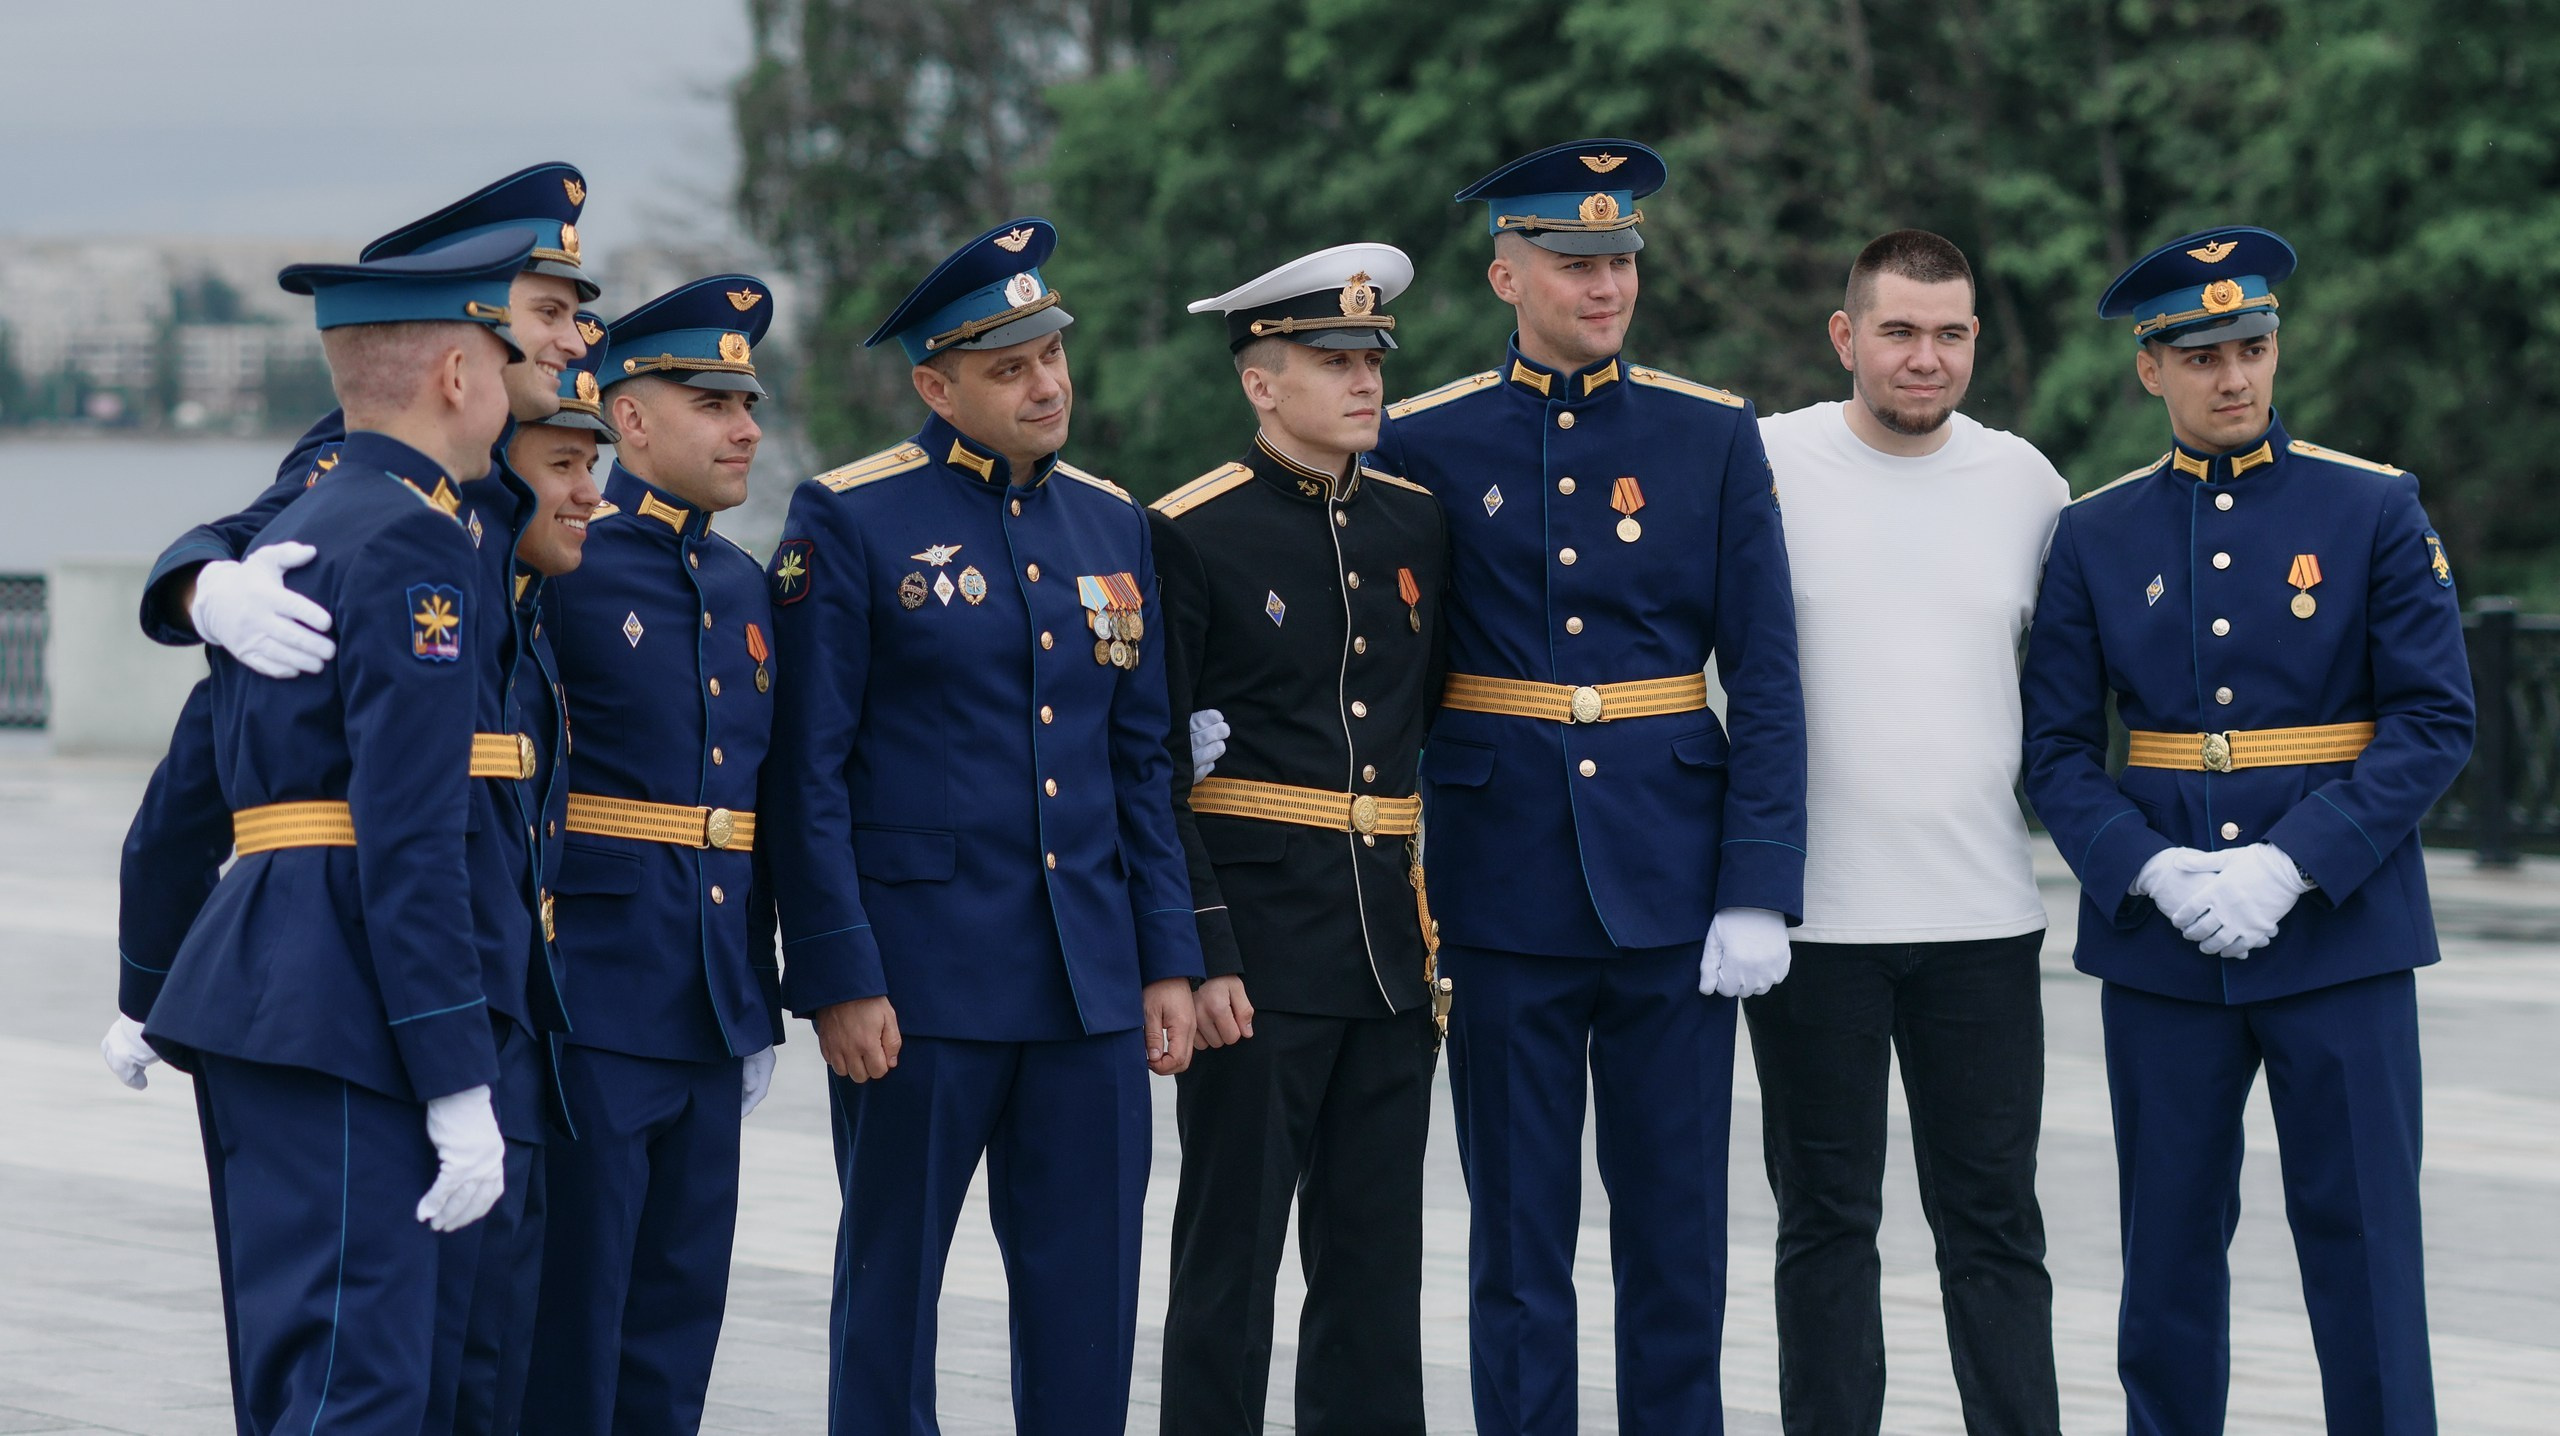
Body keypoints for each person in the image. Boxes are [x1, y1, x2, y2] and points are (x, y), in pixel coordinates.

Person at [103, 166, 596, 1436]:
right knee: (353, 1381)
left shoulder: (442, 506)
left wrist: (150, 970)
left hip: (393, 979)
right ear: (458, 364)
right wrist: (201, 588)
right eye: (539, 319)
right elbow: (382, 815)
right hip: (358, 989)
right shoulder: (403, 519)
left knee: (423, 1374)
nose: (571, 341)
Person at [1368, 140, 1808, 1435]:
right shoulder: (1428, 440)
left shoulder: (1709, 433)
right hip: (1501, 891)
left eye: (1620, 257)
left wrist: (1759, 887)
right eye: (1573, 261)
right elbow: (1381, 660)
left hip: (1676, 892)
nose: (1604, 281)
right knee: (1518, 1250)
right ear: (1508, 271)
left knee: (1677, 1244)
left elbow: (1768, 676)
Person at [2020, 226, 2472, 1436]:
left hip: (2344, 930)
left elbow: (2434, 722)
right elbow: (2055, 752)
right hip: (2164, 947)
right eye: (2203, 353)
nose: (2235, 376)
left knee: (2367, 1250)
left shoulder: (2372, 504)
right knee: (2164, 1257)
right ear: (2148, 368)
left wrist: (2291, 862)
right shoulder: (2094, 532)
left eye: (2254, 347)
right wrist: (2150, 867)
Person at [762, 217, 1203, 1434]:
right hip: (922, 988)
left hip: (1085, 989)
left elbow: (1137, 760)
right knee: (891, 1295)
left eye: (1050, 354)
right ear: (934, 385)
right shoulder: (850, 519)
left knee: (1088, 1303)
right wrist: (841, 972)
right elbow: (810, 772)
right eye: (1007, 368)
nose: (1046, 383)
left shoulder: (1113, 525)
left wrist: (1167, 955)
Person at [1745, 229, 2066, 1435]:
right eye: (1897, 330)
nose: (1923, 356)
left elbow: (2074, 695)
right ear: (1845, 337)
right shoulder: (1763, 464)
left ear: (1973, 339)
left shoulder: (2029, 485)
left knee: (1994, 1223)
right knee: (1824, 1222)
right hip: (1812, 919)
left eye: (1948, 333)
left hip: (1985, 917)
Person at [1150, 244, 1449, 1435]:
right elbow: (1155, 771)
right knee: (1231, 1258)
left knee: (1377, 1268)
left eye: (1371, 358)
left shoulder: (1417, 522)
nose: (1364, 381)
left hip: (1388, 940)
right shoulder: (1188, 531)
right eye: (1331, 361)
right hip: (1259, 953)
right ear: (1260, 383)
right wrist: (1205, 946)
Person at [520, 277, 786, 1436]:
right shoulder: (566, 561)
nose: (746, 428)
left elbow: (764, 796)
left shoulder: (741, 583)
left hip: (713, 1001)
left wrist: (766, 984)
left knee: (678, 1326)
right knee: (574, 1327)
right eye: (714, 400)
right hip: (595, 998)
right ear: (629, 419)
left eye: (750, 401)